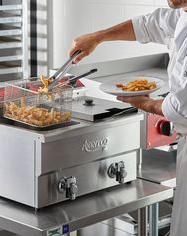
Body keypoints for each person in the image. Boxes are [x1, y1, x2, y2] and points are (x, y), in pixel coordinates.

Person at [69, 1, 187, 235]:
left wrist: (143, 103)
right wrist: (98, 37)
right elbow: (151, 24)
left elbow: (181, 107)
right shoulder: (182, 14)